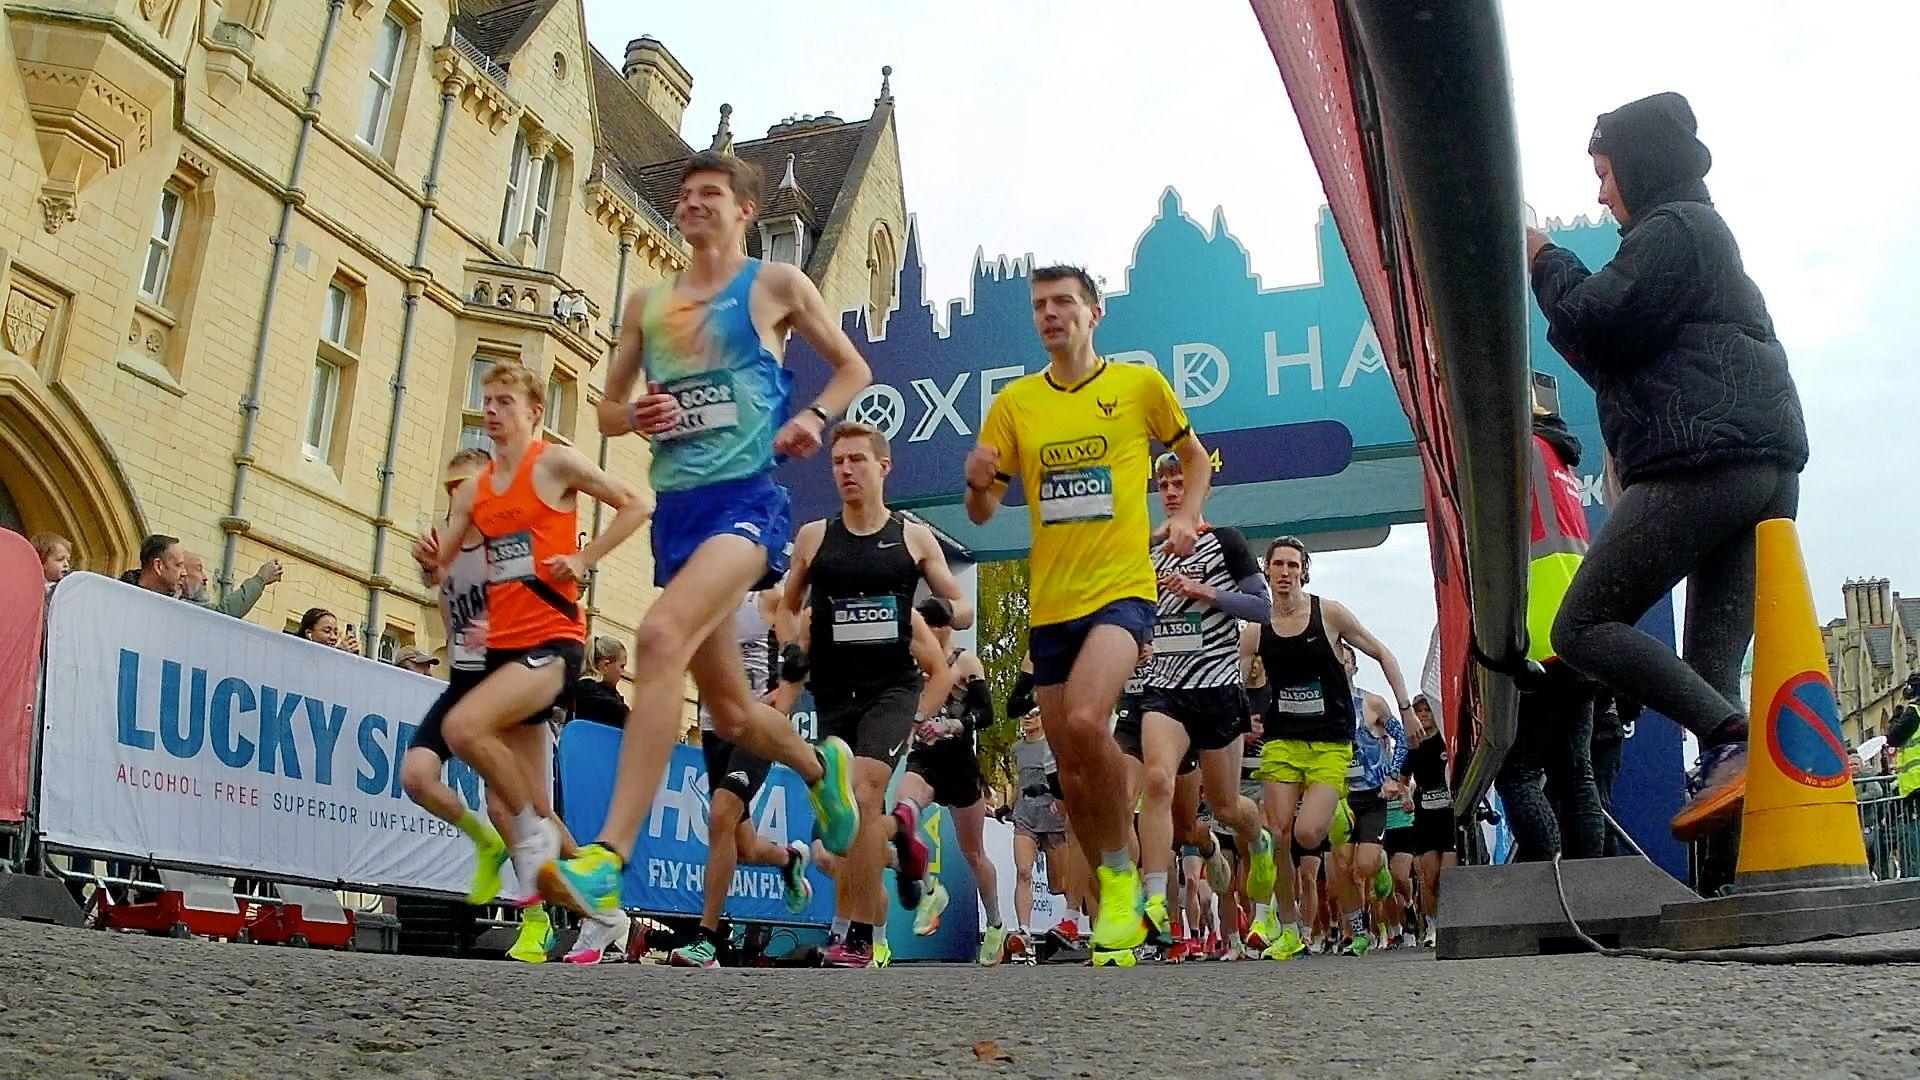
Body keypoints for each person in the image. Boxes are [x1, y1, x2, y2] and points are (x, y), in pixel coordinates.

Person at [542, 151, 871, 918]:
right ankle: (822, 772)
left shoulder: (774, 287)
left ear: (744, 211)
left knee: (657, 640)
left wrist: (812, 419)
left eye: (709, 194)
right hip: (680, 516)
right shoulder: (645, 304)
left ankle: (607, 857)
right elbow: (606, 410)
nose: (692, 204)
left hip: (746, 505)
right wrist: (638, 415)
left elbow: (852, 367)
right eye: (684, 194)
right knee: (727, 712)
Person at [1526, 91, 1810, 841]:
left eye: (1606, 171)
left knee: (1582, 625)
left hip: (1707, 463)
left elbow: (1597, 319)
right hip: (1763, 469)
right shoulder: (1700, 237)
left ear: (1640, 167)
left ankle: (1732, 736)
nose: (1599, 191)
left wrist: (1544, 259)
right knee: (1709, 670)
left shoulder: (1672, 228)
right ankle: (1742, 877)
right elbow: (1614, 352)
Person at [965, 264, 1212, 967]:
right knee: (1071, 771)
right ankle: (1114, 898)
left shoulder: (1137, 386)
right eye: (1040, 305)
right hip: (1053, 605)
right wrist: (978, 480)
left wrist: (1189, 514)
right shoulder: (1015, 404)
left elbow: (1193, 458)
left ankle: (1121, 879)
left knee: (1079, 721)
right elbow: (984, 511)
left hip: (1121, 589)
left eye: (1064, 302)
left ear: (1094, 313)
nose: (1051, 314)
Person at [415, 362, 650, 918]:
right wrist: (430, 562)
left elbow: (638, 503)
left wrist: (585, 558)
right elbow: (442, 568)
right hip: (501, 647)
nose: (491, 410)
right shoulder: (474, 490)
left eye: (504, 402)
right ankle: (605, 912)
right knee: (534, 799)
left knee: (463, 727)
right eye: (487, 400)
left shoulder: (555, 464)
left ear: (534, 413)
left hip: (555, 639)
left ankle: (530, 838)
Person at [403, 447, 603, 965]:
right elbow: (440, 598)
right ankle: (491, 848)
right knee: (418, 778)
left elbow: (556, 588)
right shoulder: (443, 547)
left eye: (469, 487)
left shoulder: (509, 544)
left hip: (512, 678)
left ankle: (564, 904)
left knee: (521, 807)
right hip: (464, 679)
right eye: (452, 489)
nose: (461, 499)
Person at [782, 421, 969, 968]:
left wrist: (939, 610)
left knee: (866, 792)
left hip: (892, 688)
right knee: (839, 828)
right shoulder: (816, 537)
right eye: (838, 461)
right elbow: (789, 607)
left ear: (883, 468)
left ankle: (857, 936)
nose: (846, 471)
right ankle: (904, 862)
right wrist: (793, 649)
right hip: (834, 691)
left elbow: (962, 606)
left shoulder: (912, 537)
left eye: (857, 460)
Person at [1244, 536, 1413, 960]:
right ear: (1267, 570)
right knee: (1279, 833)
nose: (1285, 572)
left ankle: (1345, 829)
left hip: (1329, 744)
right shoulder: (1255, 628)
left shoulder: (1328, 613)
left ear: (1303, 571)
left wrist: (1406, 709)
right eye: (1277, 565)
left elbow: (1381, 651)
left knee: (1307, 832)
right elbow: (1233, 680)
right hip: (1282, 740)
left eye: (1292, 565)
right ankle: (1286, 926)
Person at [1134, 452, 1275, 954]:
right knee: (1157, 780)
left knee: (1223, 805)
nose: (1172, 492)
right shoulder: (1147, 550)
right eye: (1164, 484)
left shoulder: (1226, 543)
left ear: (1202, 491)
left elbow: (1264, 608)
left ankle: (1257, 840)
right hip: (1165, 690)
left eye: (1181, 483)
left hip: (1216, 692)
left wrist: (1204, 592)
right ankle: (1152, 900)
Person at [667, 587, 815, 969]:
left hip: (755, 731)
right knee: (744, 845)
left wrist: (779, 709)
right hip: (715, 731)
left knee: (720, 814)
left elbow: (797, 659)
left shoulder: (768, 600)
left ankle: (706, 940)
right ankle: (788, 859)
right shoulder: (707, 599)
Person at [1496, 408, 1603, 862]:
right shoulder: (1559, 458)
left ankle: (1551, 884)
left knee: (1518, 773)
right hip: (1584, 626)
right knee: (1575, 772)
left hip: (1542, 633)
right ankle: (1590, 890)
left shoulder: (1518, 451)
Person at [900, 595, 1007, 966]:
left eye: (933, 627)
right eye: (921, 627)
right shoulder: (911, 663)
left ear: (945, 628)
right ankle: (930, 891)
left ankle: (995, 923)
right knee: (902, 818)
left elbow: (988, 714)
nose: (927, 634)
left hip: (960, 765)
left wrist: (952, 724)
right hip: (924, 761)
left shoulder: (964, 662)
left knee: (973, 853)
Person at [1329, 643, 1407, 956]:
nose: (1339, 667)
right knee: (1343, 868)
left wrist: (1392, 778)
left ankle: (1380, 863)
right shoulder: (1324, 706)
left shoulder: (1372, 704)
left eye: (1344, 662)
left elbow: (1402, 740)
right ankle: (1358, 933)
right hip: (1340, 797)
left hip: (1373, 795)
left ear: (1353, 667)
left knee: (1365, 864)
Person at [1009, 707, 1067, 954]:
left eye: (1034, 713)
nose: (1028, 718)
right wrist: (1009, 806)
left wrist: (1059, 799)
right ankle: (1024, 931)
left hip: (1053, 819)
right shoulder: (1017, 749)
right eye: (1025, 714)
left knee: (1061, 885)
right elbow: (1019, 781)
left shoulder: (1054, 745)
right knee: (1023, 872)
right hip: (1025, 817)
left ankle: (1077, 922)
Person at [1402, 693, 1456, 947]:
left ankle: (1450, 922)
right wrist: (1405, 797)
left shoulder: (1447, 742)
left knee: (1448, 874)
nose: (1424, 716)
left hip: (1448, 816)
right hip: (1424, 817)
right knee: (1429, 875)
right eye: (1419, 712)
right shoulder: (1413, 745)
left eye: (1427, 711)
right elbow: (1402, 779)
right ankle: (1433, 926)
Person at [181, 550, 280, 618]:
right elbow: (223, 614)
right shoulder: (180, 609)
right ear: (182, 574)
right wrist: (260, 579)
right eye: (199, 570)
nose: (205, 578)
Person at [570, 637, 630, 728]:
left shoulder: (578, 687)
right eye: (622, 666)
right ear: (606, 665)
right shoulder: (590, 694)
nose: (622, 673)